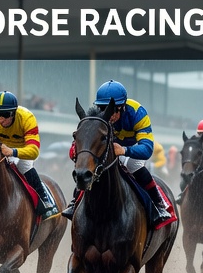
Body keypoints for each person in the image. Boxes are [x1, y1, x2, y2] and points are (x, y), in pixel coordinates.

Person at [62, 79, 174, 226]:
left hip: (131, 149)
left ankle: (158, 205)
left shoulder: (138, 113)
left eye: (113, 109)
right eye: (103, 108)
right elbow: (81, 145)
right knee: (90, 169)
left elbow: (147, 149)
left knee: (134, 166)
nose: (109, 114)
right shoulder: (97, 117)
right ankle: (75, 201)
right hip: (108, 148)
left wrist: (124, 150)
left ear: (122, 107)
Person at [0, 91, 58, 219]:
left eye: (5, 114)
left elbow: (34, 150)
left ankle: (44, 198)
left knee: (23, 166)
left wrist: (13, 151)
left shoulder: (27, 119)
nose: (1, 118)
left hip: (23, 149)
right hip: (1, 147)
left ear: (14, 113)